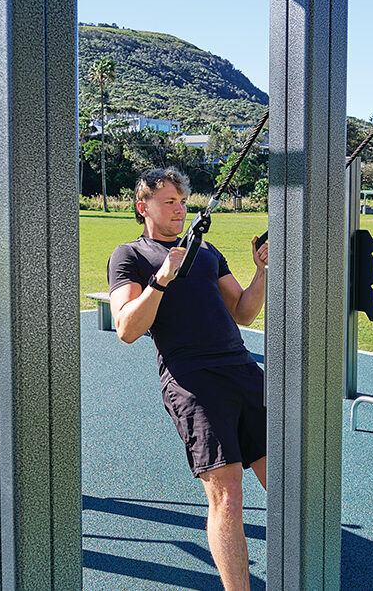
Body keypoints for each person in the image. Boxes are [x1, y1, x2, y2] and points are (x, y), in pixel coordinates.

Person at [108, 167, 268, 591]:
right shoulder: (130, 256)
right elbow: (126, 329)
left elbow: (243, 313)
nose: (179, 210)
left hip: (243, 369)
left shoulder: (207, 250)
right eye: (169, 202)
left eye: (182, 202)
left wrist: (263, 271)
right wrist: (160, 281)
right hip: (193, 381)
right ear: (143, 208)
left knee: (288, 479)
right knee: (227, 495)